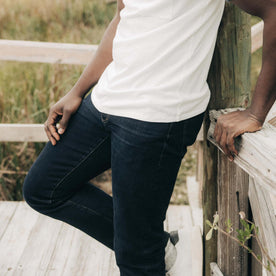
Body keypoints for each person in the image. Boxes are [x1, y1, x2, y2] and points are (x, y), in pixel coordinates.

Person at [22, 0, 276, 275]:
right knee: (43, 188)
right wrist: (77, 91)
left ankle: (146, 246)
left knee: (136, 262)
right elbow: (123, 15)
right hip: (106, 100)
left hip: (157, 115)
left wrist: (256, 112)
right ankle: (154, 244)